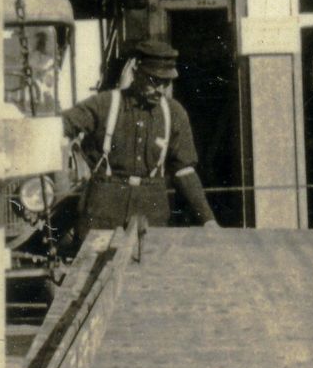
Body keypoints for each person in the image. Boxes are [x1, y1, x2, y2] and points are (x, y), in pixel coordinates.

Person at [63, 38, 220, 232]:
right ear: (136, 72)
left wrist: (207, 219)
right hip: (102, 213)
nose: (161, 89)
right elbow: (60, 127)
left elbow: (184, 171)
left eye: (166, 82)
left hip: (151, 214)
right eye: (154, 81)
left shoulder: (174, 113)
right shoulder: (105, 104)